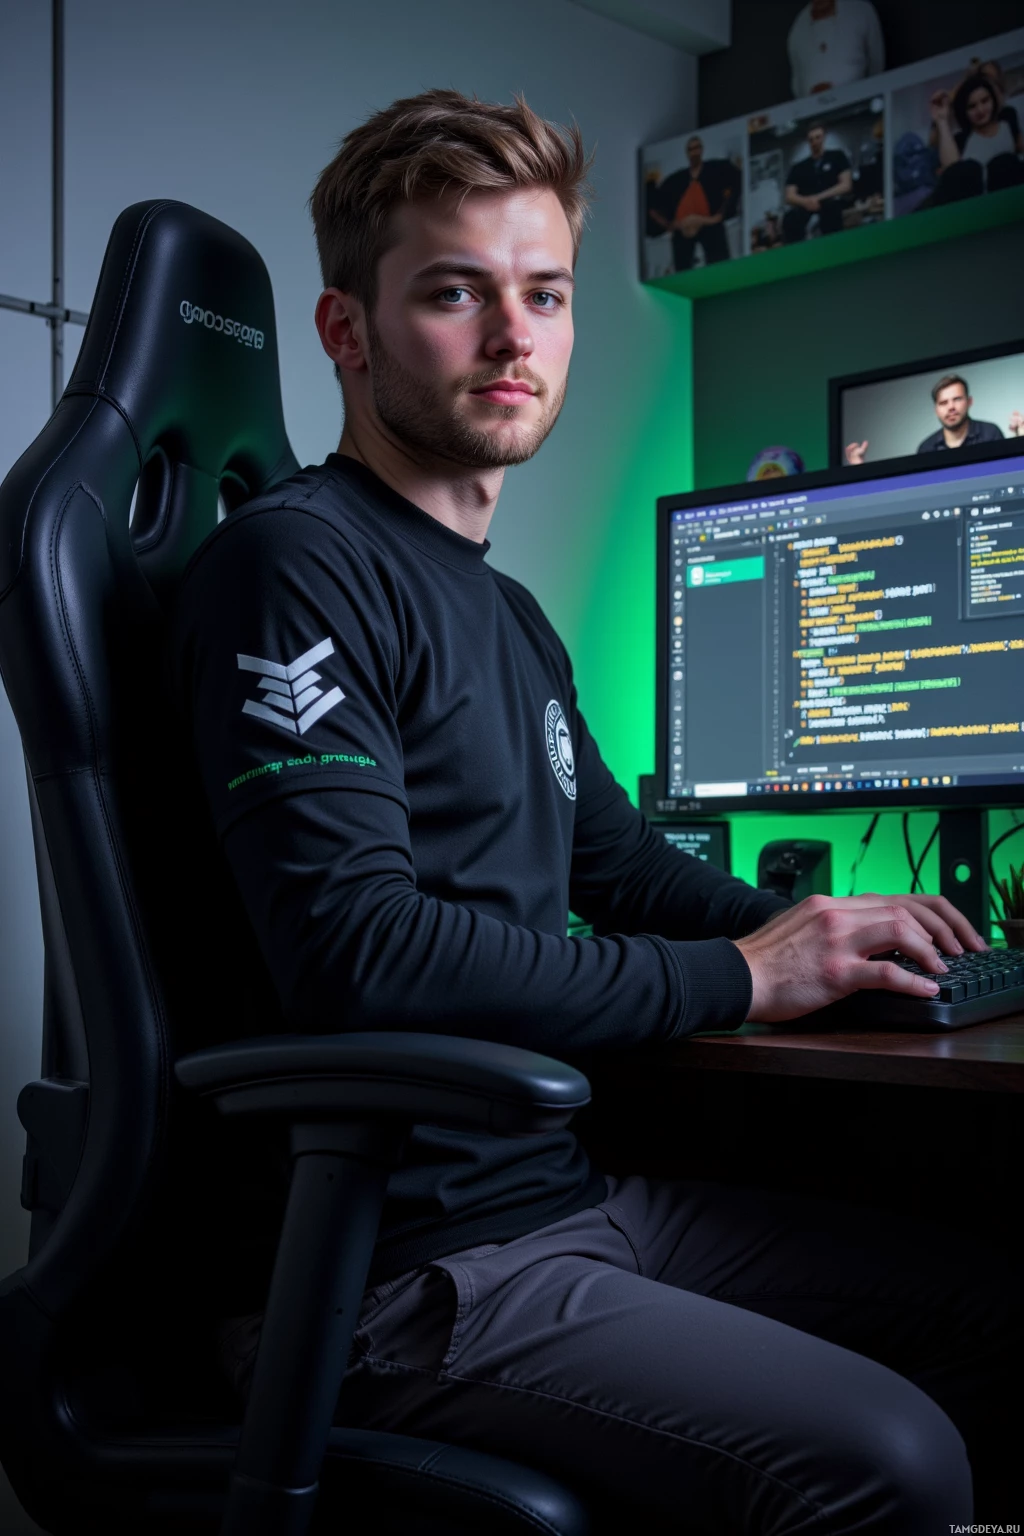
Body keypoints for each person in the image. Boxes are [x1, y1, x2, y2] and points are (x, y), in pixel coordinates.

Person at [172, 90, 1020, 1531]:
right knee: (895, 1461)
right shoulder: (291, 566)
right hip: (397, 1271)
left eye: (544, 294)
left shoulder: (502, 611)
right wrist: (748, 974)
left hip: (570, 1208)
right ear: (345, 331)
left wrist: (836, 936)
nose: (514, 337)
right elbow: (357, 951)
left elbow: (613, 863)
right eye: (454, 293)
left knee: (1002, 1303)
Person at [845, 372, 1005, 463]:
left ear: (969, 401)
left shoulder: (990, 433)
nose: (951, 407)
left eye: (957, 399)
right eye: (943, 402)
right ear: (936, 410)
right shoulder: (926, 448)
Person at [927, 70, 1024, 204]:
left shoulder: (1008, 119)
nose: (980, 110)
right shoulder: (962, 139)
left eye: (985, 101)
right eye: (972, 106)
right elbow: (953, 173)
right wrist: (942, 120)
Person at [648, 134, 738, 271]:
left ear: (702, 149)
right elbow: (654, 206)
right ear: (687, 153)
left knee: (720, 266)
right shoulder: (675, 181)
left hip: (710, 224)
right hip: (683, 230)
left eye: (696, 148)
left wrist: (717, 216)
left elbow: (731, 189)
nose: (694, 152)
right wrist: (669, 224)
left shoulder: (717, 169)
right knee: (682, 269)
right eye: (691, 149)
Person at [787, 0, 884, 100]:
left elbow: (876, 63)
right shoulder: (798, 29)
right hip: (816, 112)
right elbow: (798, 86)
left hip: (859, 104)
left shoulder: (861, 11)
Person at [782, 121, 853, 242]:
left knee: (832, 213)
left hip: (830, 202)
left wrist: (818, 197)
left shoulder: (837, 157)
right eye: (811, 139)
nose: (815, 142)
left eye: (818, 137)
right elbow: (790, 195)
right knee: (789, 219)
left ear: (824, 137)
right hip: (806, 207)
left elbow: (846, 185)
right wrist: (806, 201)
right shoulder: (798, 167)